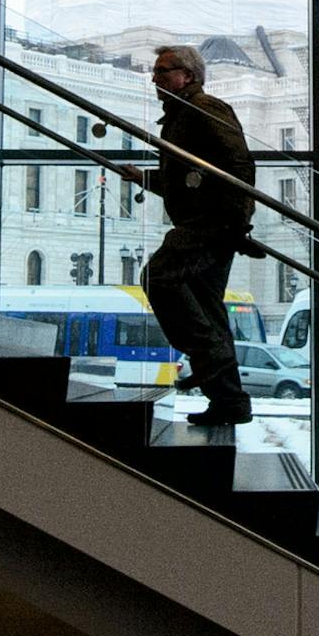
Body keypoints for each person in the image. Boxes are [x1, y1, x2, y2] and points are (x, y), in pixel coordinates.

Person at [121, 44, 258, 427]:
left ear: (188, 76)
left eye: (163, 71)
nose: (155, 78)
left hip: (209, 224)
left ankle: (209, 355)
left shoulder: (205, 108)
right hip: (210, 222)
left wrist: (235, 222)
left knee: (158, 277)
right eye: (155, 71)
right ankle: (229, 400)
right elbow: (185, 182)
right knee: (208, 311)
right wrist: (144, 178)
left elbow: (238, 167)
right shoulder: (182, 115)